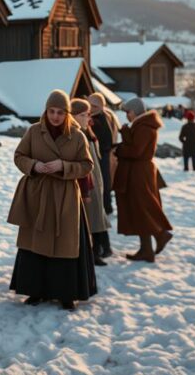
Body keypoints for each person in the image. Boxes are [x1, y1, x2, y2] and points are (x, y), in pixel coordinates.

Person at [8, 90, 96, 310]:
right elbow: (19, 156)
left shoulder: (77, 136)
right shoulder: (34, 132)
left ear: (67, 113)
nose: (55, 116)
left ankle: (66, 293)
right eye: (51, 111)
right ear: (45, 111)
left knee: (65, 244)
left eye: (60, 112)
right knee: (35, 244)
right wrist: (34, 166)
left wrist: (64, 166)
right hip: (37, 194)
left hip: (65, 196)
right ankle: (35, 291)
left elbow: (87, 166)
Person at [114, 97, 172, 263]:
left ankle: (161, 235)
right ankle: (146, 250)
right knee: (140, 208)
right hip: (139, 171)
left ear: (136, 112)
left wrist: (120, 146)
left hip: (140, 172)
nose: (127, 116)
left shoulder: (145, 127)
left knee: (143, 207)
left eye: (128, 112)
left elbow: (135, 151)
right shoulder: (142, 125)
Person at [71, 99, 111, 267]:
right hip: (88, 182)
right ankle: (92, 254)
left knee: (95, 217)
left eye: (88, 114)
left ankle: (98, 251)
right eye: (83, 114)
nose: (88, 118)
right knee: (90, 219)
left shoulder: (88, 131)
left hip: (96, 179)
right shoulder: (78, 134)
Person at [87, 93, 119, 222]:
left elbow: (107, 140)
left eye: (94, 105)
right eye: (89, 104)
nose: (91, 108)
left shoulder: (101, 118)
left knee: (103, 183)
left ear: (100, 106)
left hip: (103, 156)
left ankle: (106, 208)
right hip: (103, 155)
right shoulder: (103, 116)